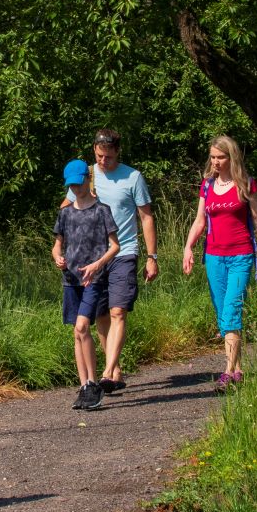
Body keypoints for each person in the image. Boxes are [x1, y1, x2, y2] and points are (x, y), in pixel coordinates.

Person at [182, 135, 257, 390]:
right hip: (214, 257)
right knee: (223, 313)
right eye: (212, 157)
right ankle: (238, 368)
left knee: (232, 310)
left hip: (241, 256)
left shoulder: (246, 184)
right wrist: (188, 247)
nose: (215, 162)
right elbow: (200, 220)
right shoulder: (207, 185)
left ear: (231, 157)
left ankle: (227, 372)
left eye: (220, 157)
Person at [80, 128, 158, 394]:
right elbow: (68, 207)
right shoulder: (87, 176)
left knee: (118, 311)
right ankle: (115, 368)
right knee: (101, 314)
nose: (104, 162)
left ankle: (107, 373)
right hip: (95, 256)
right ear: (94, 151)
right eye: (100, 156)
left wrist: (151, 256)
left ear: (118, 154)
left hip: (124, 251)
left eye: (109, 157)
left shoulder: (133, 177)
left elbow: (146, 217)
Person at [53, 159, 119, 410]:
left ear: (88, 179)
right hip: (71, 279)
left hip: (94, 278)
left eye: (79, 184)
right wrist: (57, 257)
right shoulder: (65, 213)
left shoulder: (101, 210)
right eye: (72, 185)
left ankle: (93, 383)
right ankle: (83, 387)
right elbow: (57, 244)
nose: (76, 189)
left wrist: (97, 264)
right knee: (77, 332)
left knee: (83, 326)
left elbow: (115, 246)